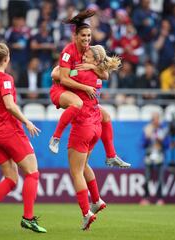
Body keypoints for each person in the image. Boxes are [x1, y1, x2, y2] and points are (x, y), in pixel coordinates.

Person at [0, 43, 47, 234]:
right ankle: (28, 218)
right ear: (6, 59)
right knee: (32, 173)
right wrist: (27, 122)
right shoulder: (5, 79)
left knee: (11, 178)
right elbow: (9, 105)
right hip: (10, 132)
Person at [48, 9, 130, 168]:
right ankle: (56, 138)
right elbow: (58, 76)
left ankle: (111, 155)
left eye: (88, 36)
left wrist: (91, 66)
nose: (86, 39)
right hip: (62, 90)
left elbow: (105, 75)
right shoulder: (68, 52)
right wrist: (80, 77)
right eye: (83, 36)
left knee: (105, 116)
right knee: (77, 104)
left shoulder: (90, 52)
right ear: (75, 37)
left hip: (77, 93)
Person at [65, 45, 121, 230]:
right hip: (96, 126)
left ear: (95, 60)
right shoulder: (97, 74)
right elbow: (104, 74)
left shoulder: (82, 73)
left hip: (82, 126)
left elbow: (59, 75)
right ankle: (96, 200)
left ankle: (85, 212)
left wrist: (59, 70)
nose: (83, 58)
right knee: (83, 165)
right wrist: (92, 67)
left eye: (87, 56)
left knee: (76, 172)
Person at [140, 112, 168, 206]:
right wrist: (147, 138)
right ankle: (145, 198)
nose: (156, 121)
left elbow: (167, 145)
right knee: (147, 178)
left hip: (159, 155)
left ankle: (160, 198)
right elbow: (143, 144)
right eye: (154, 119)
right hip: (149, 155)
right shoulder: (147, 129)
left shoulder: (163, 130)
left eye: (157, 119)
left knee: (160, 178)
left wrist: (162, 141)